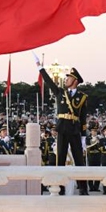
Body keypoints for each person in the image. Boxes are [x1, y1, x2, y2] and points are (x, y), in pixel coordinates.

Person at [37, 60, 89, 196]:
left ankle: (83, 188)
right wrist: (41, 69)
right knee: (60, 159)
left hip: (75, 128)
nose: (66, 79)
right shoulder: (60, 92)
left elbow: (83, 118)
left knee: (79, 160)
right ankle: (60, 187)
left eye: (69, 78)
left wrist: (84, 136)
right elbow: (49, 82)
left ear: (75, 80)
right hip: (62, 128)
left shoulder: (82, 97)